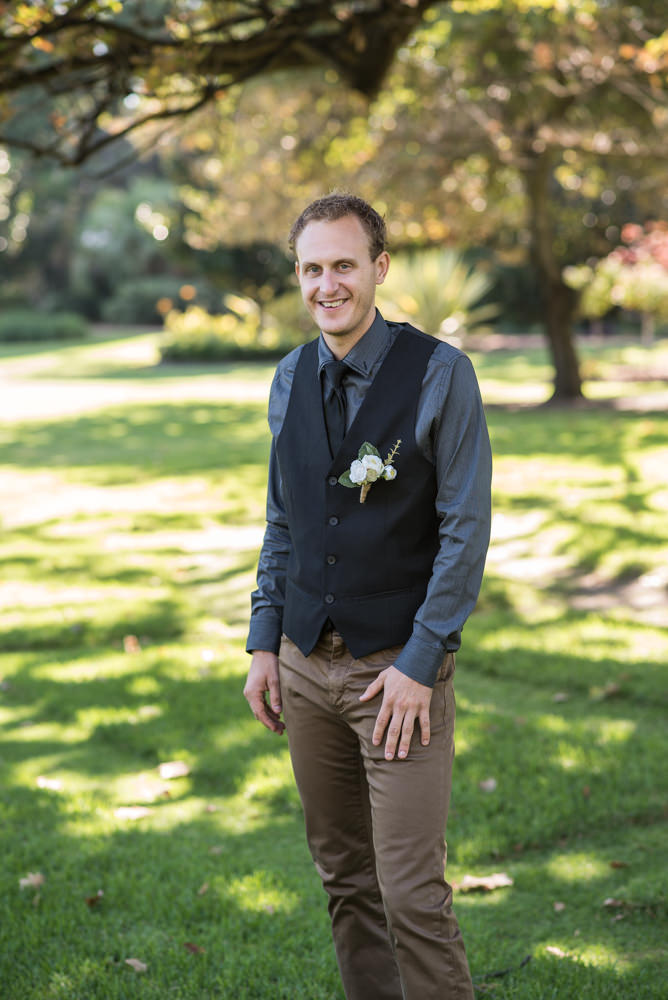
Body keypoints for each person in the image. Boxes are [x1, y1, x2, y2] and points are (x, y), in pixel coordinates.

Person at [244, 193, 491, 1000]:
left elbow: (465, 532)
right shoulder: (288, 377)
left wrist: (422, 663)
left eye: (343, 265)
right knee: (346, 882)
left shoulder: (441, 375)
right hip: (306, 667)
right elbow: (284, 522)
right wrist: (262, 641)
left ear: (379, 269)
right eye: (312, 269)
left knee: (412, 895)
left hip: (398, 674)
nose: (327, 285)